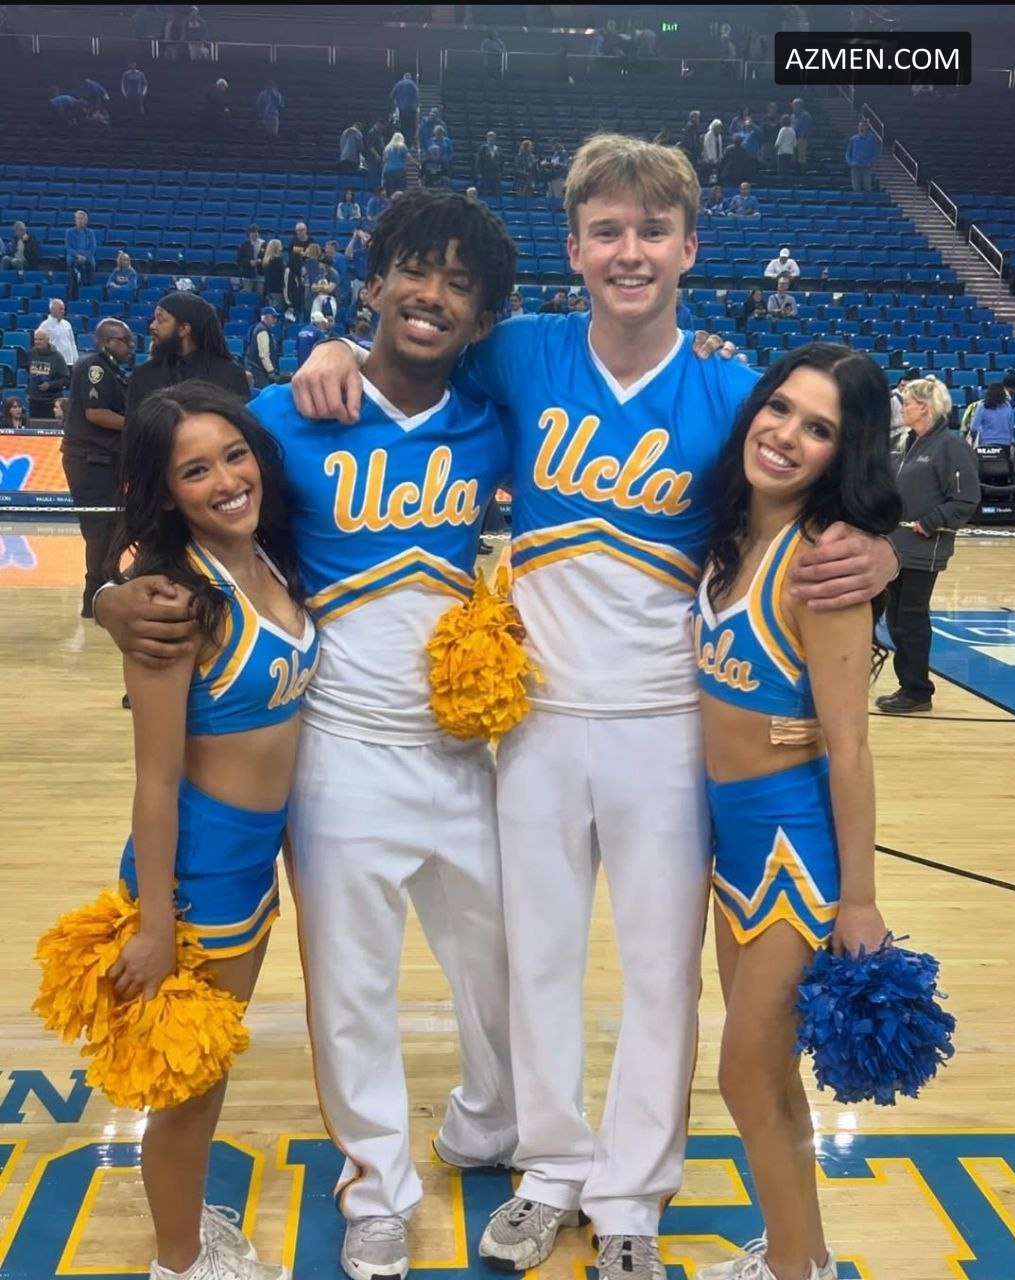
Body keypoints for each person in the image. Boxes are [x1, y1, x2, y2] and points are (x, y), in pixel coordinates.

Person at [290, 135, 898, 1280]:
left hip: (668, 725)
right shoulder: (517, 351)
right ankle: (550, 1166)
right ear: (572, 247)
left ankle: (631, 1194)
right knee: (538, 961)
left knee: (662, 973)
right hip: (532, 720)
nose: (629, 251)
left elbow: (838, 464)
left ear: (689, 247)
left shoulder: (735, 388)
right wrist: (329, 345)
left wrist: (881, 546)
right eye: (606, 230)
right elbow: (404, 356)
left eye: (651, 232)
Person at [95, 191, 521, 1280]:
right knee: (351, 989)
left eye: (458, 282)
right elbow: (178, 507)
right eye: (412, 270)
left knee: (504, 963)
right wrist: (111, 598)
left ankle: (492, 1121)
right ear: (370, 281)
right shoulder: (282, 416)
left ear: (481, 313)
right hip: (335, 752)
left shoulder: (495, 410)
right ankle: (375, 1187)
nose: (431, 294)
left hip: (466, 748)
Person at [690, 343, 902, 1280]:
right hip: (730, 843)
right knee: (768, 1073)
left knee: (743, 1074)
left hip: (789, 850)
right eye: (779, 409)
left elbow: (850, 748)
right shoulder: (732, 531)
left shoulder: (824, 567)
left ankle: (790, 1267)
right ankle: (799, 1253)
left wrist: (858, 901)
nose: (784, 435)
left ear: (840, 454)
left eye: (818, 429)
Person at [103, 381, 312, 1280]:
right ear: (166, 489)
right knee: (187, 1089)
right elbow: (154, 781)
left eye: (234, 455)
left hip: (248, 868)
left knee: (206, 1072)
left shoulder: (270, 557)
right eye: (195, 471)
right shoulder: (175, 604)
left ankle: (187, 1232)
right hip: (197, 883)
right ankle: (181, 1263)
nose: (226, 480)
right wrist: (154, 926)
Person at [878, 377, 979, 715]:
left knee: (911, 617)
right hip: (895, 547)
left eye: (907, 402)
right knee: (895, 618)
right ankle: (908, 685)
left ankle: (917, 690)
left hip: (924, 548)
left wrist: (931, 522)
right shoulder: (906, 443)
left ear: (924, 407)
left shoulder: (950, 446)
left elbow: (966, 499)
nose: (902, 408)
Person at [60, 318, 134, 618]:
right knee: (100, 530)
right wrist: (137, 425)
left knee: (114, 527)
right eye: (124, 340)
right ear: (107, 342)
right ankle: (94, 597)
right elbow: (96, 413)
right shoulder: (95, 367)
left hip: (105, 459)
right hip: (90, 460)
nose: (130, 346)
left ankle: (105, 589)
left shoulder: (113, 370)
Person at [126, 292, 249, 414]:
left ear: (183, 329)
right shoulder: (142, 375)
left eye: (160, 320)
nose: (152, 326)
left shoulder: (229, 375)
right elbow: (133, 425)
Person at [28, 328, 71, 419]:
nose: (37, 342)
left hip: (51, 402)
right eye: (35, 339)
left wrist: (50, 385)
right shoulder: (31, 353)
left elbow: (66, 380)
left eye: (40, 339)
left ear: (48, 340)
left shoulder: (57, 357)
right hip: (34, 401)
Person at [285, 222, 317, 322]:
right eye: (298, 230)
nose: (300, 232)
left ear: (306, 230)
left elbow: (315, 253)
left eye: (302, 230)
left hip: (309, 270)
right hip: (296, 272)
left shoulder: (311, 241)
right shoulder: (293, 241)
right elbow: (291, 255)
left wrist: (301, 252)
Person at [967, 381, 1015, 446]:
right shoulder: (1008, 406)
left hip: (987, 442)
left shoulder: (982, 406)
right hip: (1005, 442)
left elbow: (974, 428)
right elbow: (1011, 426)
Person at [245, 305, 280, 389]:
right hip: (258, 370)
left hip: (255, 367)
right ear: (266, 317)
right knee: (263, 392)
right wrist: (270, 370)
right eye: (273, 317)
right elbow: (263, 355)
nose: (275, 320)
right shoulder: (262, 330)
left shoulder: (258, 327)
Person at [65, 209, 97, 299]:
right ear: (75, 220)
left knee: (90, 264)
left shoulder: (90, 233)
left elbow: (93, 247)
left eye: (82, 218)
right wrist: (77, 256)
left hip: (87, 257)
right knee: (72, 266)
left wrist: (85, 256)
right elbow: (68, 247)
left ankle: (88, 290)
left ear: (86, 220)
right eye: (78, 218)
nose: (80, 220)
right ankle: (72, 293)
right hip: (74, 256)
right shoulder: (69, 232)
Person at [40, 297, 79, 368]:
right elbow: (41, 346)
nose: (63, 311)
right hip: (54, 363)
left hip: (69, 362)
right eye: (61, 309)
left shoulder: (67, 324)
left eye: (63, 309)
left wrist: (76, 360)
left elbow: (72, 343)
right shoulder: (44, 326)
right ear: (52, 309)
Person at [845, 120, 880, 193]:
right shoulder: (853, 139)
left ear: (867, 127)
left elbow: (876, 152)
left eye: (863, 125)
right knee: (856, 187)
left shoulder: (872, 138)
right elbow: (848, 153)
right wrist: (850, 162)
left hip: (866, 166)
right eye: (860, 126)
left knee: (867, 186)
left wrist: (871, 162)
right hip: (855, 166)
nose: (861, 127)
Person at [390, 71, 419, 145]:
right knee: (411, 128)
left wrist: (394, 107)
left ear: (403, 77)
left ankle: (403, 142)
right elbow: (416, 95)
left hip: (402, 110)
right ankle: (410, 143)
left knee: (403, 127)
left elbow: (391, 96)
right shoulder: (412, 84)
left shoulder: (398, 84)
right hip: (411, 110)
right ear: (409, 77)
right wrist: (417, 106)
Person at [238, 225, 265, 293]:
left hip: (260, 276)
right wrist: (249, 262)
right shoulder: (244, 245)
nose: (255, 234)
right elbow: (239, 260)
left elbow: (267, 258)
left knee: (259, 296)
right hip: (248, 276)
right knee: (248, 296)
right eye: (253, 232)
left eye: (256, 232)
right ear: (249, 234)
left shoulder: (263, 244)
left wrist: (260, 261)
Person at [475, 131, 503, 196]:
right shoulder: (483, 148)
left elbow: (502, 161)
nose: (491, 139)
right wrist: (479, 172)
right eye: (490, 137)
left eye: (493, 137)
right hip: (485, 173)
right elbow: (478, 161)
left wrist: (501, 171)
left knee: (496, 191)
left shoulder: (498, 149)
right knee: (485, 191)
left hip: (496, 174)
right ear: (487, 138)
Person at [381, 131, 408, 197]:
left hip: (388, 170)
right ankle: (399, 201)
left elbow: (384, 160)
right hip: (399, 169)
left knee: (390, 189)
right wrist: (415, 163)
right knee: (400, 188)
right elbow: (408, 157)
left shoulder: (387, 148)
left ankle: (390, 200)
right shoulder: (402, 146)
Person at [261, 240, 286, 312]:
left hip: (268, 289)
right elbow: (282, 275)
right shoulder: (278, 261)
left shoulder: (266, 261)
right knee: (277, 311)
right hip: (277, 290)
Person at [790, 98, 812, 168]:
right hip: (793, 138)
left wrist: (802, 137)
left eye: (794, 105)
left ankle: (802, 170)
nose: (792, 107)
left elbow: (807, 127)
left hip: (801, 138)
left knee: (801, 157)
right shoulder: (792, 116)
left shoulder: (805, 115)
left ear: (799, 105)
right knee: (793, 156)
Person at [774, 114, 797, 179]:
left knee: (781, 171)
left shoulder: (782, 130)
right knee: (787, 171)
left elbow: (778, 143)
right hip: (790, 153)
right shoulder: (792, 130)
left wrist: (775, 149)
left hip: (782, 153)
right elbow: (794, 144)